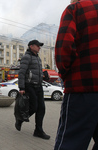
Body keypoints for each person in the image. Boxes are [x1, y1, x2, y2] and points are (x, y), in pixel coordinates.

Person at [54, 0, 98, 149]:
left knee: (71, 142)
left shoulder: (76, 9)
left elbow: (63, 48)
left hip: (83, 89)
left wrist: (65, 74)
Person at [16, 40, 50, 140]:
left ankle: (38, 131)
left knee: (42, 109)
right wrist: (21, 87)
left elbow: (35, 72)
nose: (39, 47)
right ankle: (20, 118)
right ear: (31, 46)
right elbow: (22, 73)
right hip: (29, 86)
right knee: (34, 107)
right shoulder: (26, 57)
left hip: (38, 86)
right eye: (38, 46)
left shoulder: (37, 58)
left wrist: (44, 76)